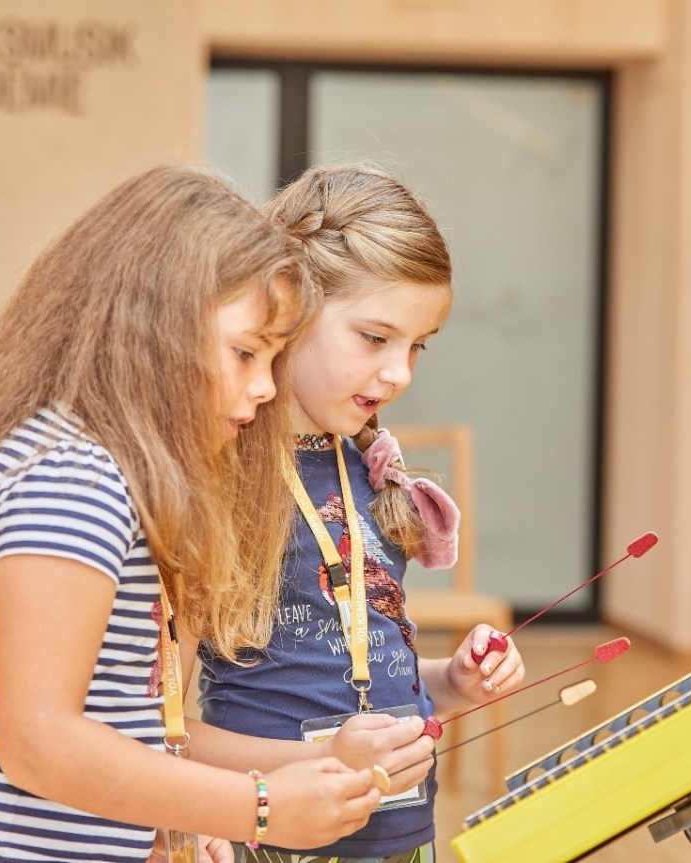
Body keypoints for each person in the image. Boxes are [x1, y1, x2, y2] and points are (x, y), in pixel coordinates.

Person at [0, 164, 384, 863]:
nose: (265, 388)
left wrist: (235, 796)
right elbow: (39, 742)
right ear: (152, 327)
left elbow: (138, 731)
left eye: (273, 360)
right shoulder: (71, 479)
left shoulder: (121, 477)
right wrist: (259, 806)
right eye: (244, 352)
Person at [194, 164, 526, 863]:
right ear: (290, 308)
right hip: (268, 833)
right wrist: (303, 767)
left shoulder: (365, 471)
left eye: (417, 346)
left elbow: (358, 677)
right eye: (376, 338)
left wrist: (448, 683)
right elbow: (161, 728)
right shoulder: (217, 477)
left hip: (401, 838)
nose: (401, 371)